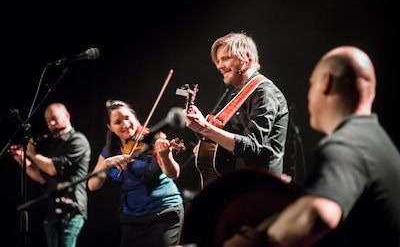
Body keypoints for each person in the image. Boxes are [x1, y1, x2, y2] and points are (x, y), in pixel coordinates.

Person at [223, 46, 400, 247]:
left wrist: (255, 241)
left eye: (311, 84)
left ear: (326, 82)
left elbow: (318, 214)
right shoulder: (377, 141)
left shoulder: (344, 145)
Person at [185, 32, 289, 185]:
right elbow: (223, 138)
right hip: (239, 184)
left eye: (226, 58)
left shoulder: (265, 93)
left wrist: (205, 128)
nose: (220, 66)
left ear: (246, 58)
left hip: (260, 187)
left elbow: (254, 148)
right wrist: (203, 130)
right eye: (218, 60)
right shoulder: (235, 94)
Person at [88, 100, 184, 247]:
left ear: (134, 115)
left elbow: (173, 173)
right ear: (110, 127)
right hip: (132, 219)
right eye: (118, 122)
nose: (125, 125)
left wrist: (165, 156)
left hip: (164, 212)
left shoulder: (154, 139)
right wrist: (106, 164)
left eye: (127, 118)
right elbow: (93, 185)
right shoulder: (110, 150)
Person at [10, 102, 91, 247]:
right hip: (52, 212)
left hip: (71, 209)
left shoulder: (78, 140)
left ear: (67, 115)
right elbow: (42, 177)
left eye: (54, 118)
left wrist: (32, 154)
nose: (51, 123)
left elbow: (53, 168)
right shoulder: (54, 144)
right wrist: (22, 159)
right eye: (48, 121)